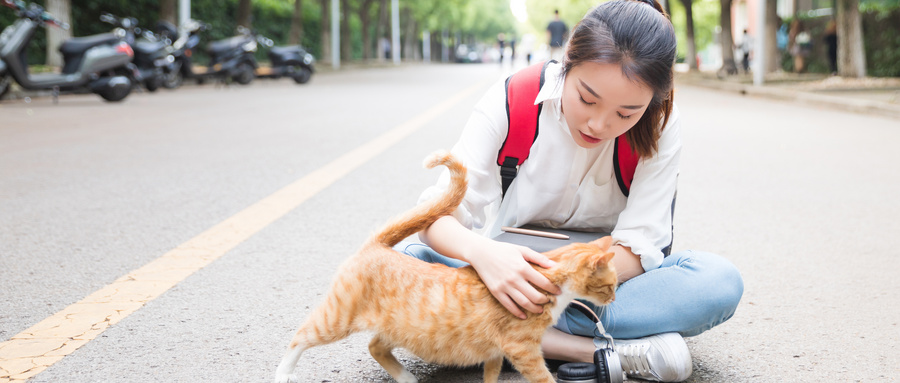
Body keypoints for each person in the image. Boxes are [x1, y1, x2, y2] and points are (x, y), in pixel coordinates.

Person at [399, 0, 744, 382]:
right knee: (404, 262)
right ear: (568, 58)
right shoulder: (513, 97)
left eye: (626, 113)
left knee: (718, 280)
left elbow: (640, 246)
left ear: (653, 100)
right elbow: (433, 218)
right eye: (587, 98)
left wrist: (547, 282)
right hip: (507, 269)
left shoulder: (661, 125)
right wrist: (486, 256)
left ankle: (497, 333)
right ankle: (596, 350)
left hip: (596, 281)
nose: (598, 124)